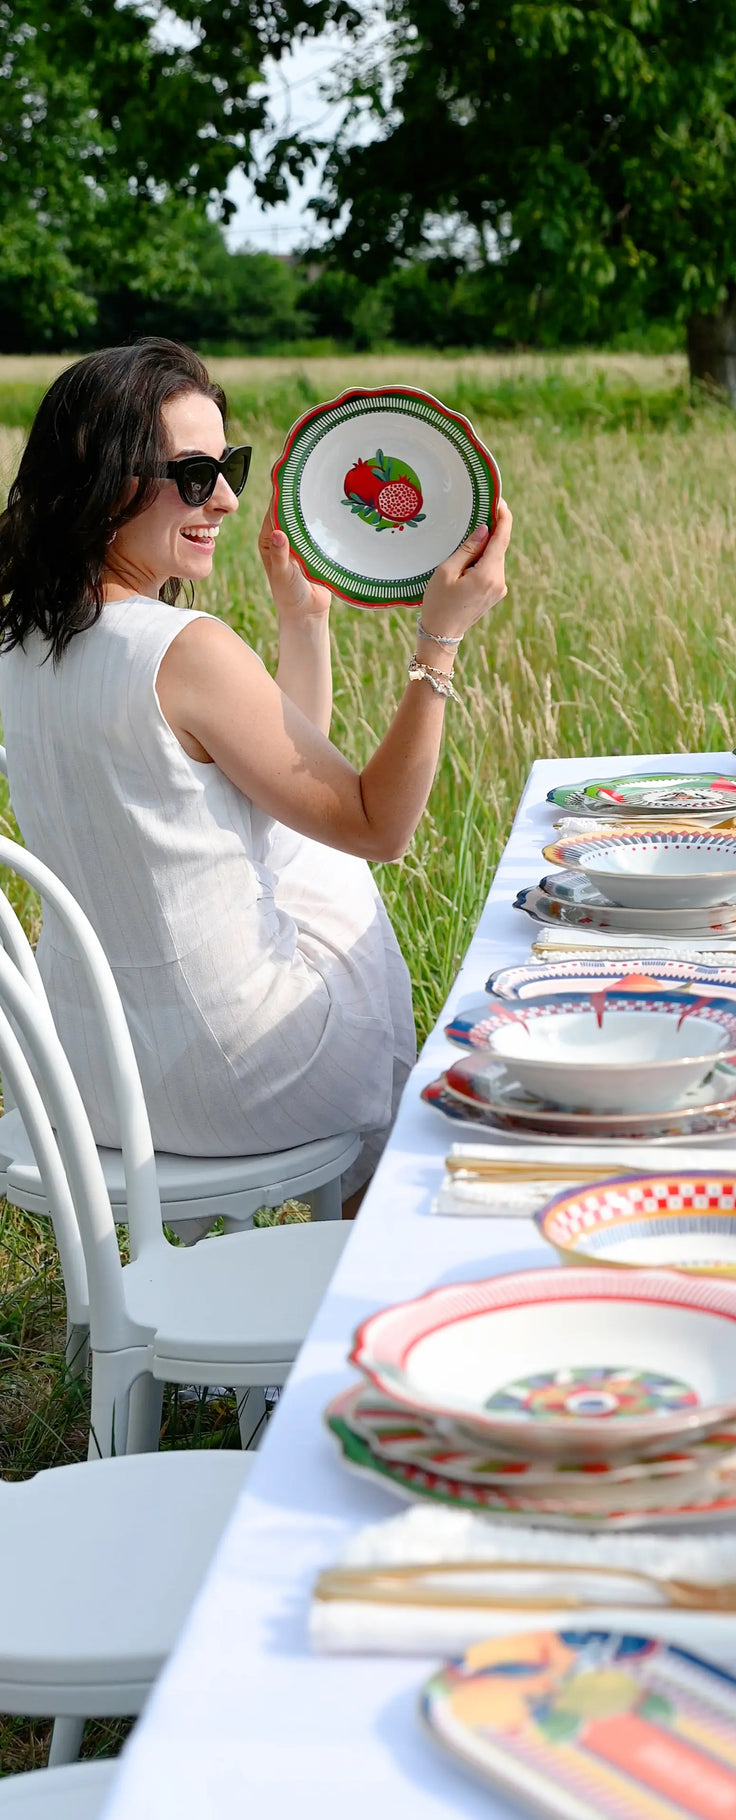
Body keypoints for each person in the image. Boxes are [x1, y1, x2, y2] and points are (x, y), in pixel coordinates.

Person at [0, 338, 512, 1203]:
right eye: (195, 475)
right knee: (342, 865)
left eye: (227, 466)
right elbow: (380, 828)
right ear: (105, 480)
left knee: (310, 851)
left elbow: (278, 784)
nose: (229, 500)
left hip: (88, 1079)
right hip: (234, 1080)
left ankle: (355, 1206)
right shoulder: (183, 649)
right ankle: (371, 1197)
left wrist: (301, 621)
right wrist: (440, 643)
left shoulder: (22, 642)